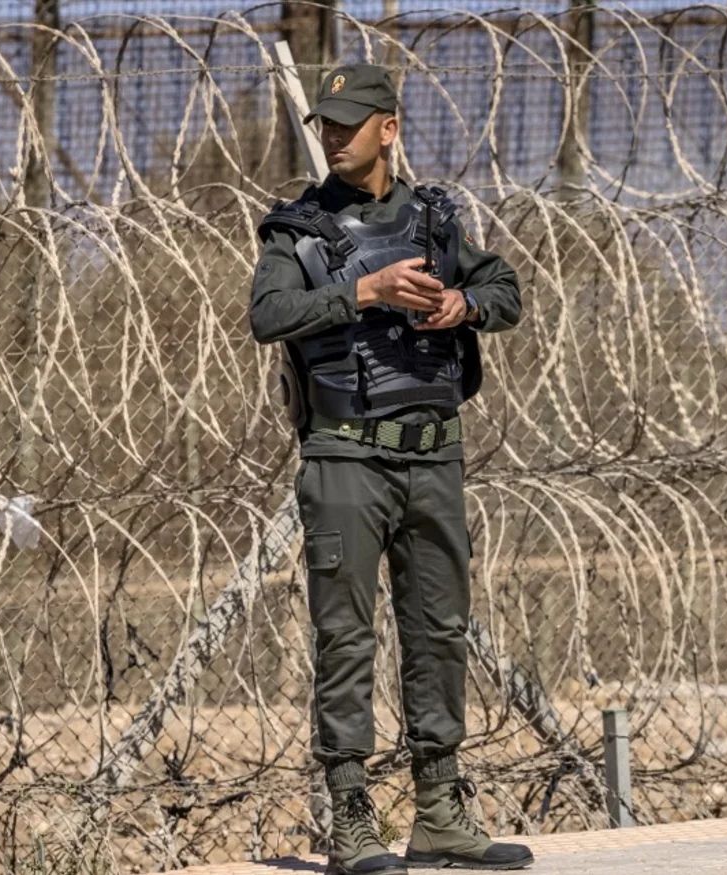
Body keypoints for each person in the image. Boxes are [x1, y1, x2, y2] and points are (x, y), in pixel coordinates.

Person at [249, 64, 531, 875]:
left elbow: (505, 287)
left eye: (350, 122)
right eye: (327, 125)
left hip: (434, 452)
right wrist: (364, 288)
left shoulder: (435, 220)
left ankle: (440, 812)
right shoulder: (297, 229)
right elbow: (268, 313)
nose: (335, 136)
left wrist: (463, 305)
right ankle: (350, 818)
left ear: (389, 129)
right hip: (344, 454)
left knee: (439, 630)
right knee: (345, 634)